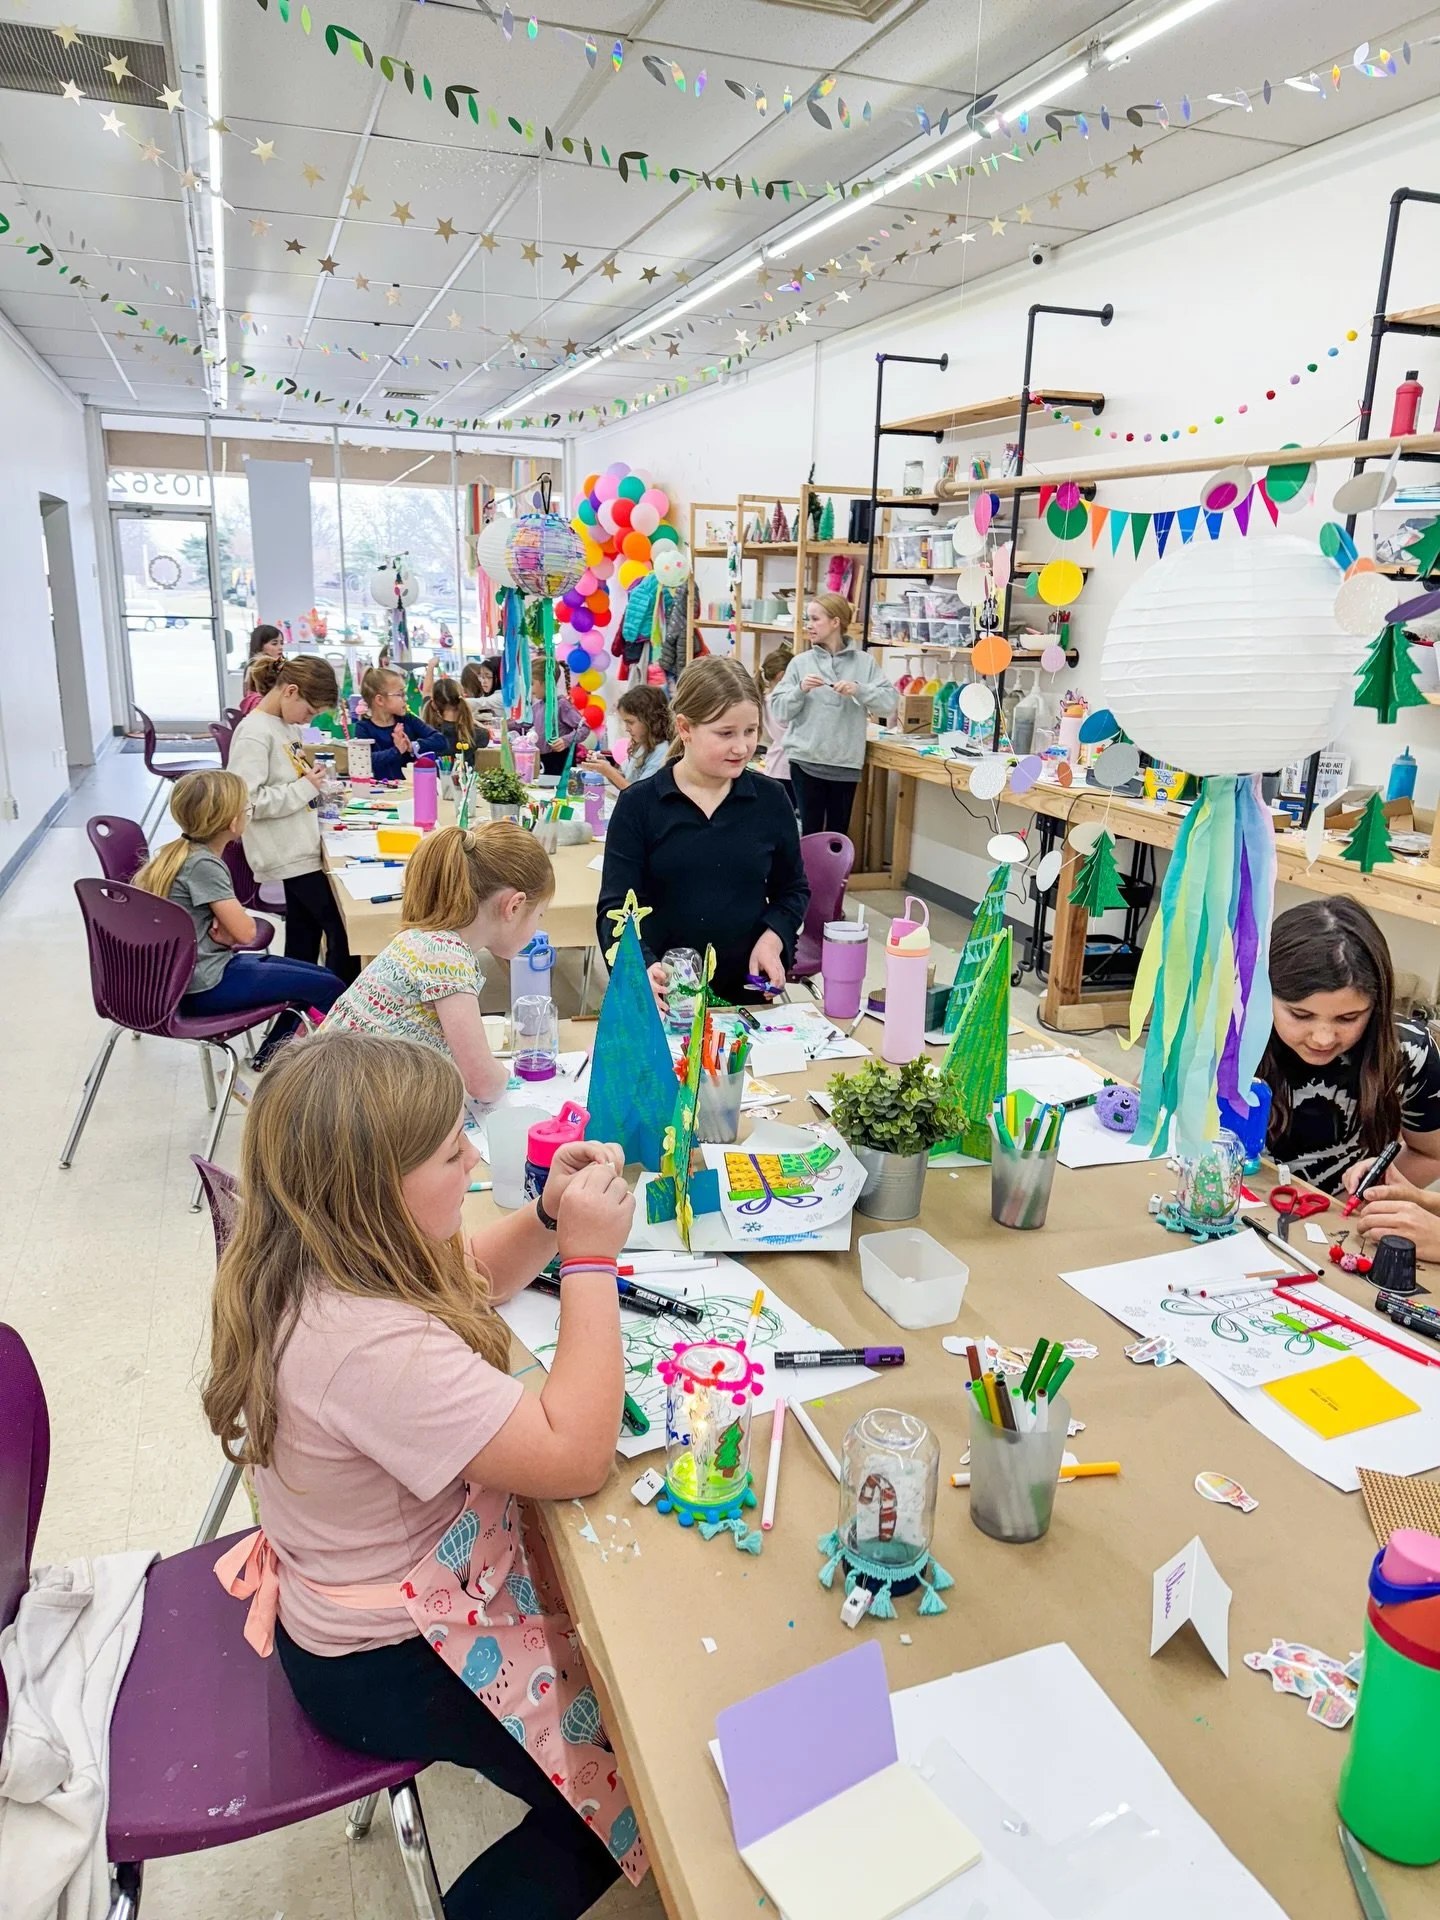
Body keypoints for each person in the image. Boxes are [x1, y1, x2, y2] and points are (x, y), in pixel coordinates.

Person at [202, 1031, 638, 1920]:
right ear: (375, 1193)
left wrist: (550, 1219)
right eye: (451, 1152)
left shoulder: (322, 1255)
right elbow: (575, 1454)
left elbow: (467, 1276)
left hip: (362, 1603)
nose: (476, 1157)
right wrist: (593, 1260)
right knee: (629, 1793)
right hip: (383, 1660)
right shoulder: (367, 1344)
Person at [597, 656, 808, 1005]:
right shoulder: (640, 805)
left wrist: (774, 938)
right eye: (725, 733)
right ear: (685, 728)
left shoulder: (771, 800)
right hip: (665, 997)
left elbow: (793, 890)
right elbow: (615, 908)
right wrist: (640, 965)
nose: (742, 747)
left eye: (751, 731)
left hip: (746, 997)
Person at [325, 822, 552, 1105]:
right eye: (539, 915)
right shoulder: (448, 958)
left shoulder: (423, 939)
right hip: (346, 1118)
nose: (537, 926)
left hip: (333, 1101)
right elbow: (483, 1084)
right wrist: (504, 1075)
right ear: (514, 906)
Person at [133, 770, 345, 1067]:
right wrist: (231, 933)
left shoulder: (175, 853)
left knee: (314, 979)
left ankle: (271, 1057)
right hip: (205, 984)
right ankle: (291, 1067)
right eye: (247, 808)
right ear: (233, 823)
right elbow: (246, 934)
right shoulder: (204, 865)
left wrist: (228, 932)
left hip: (186, 977)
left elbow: (232, 932)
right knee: (330, 986)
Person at [1259, 898, 1440, 1194]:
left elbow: (1431, 1154)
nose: (1322, 1038)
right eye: (1301, 1015)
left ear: (1377, 1005)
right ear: (1262, 993)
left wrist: (1362, 1197)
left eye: (1348, 1018)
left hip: (1339, 1220)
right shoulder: (1229, 1037)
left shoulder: (1409, 1051)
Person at [229, 654, 360, 985]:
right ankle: (332, 1014)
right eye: (310, 711)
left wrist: (316, 790)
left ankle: (292, 1023)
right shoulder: (255, 733)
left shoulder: (283, 726)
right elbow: (245, 802)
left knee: (304, 939)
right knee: (344, 929)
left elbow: (289, 782)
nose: (308, 720)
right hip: (286, 853)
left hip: (300, 846)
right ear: (290, 691)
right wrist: (304, 788)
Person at [767, 594, 897, 834]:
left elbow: (889, 704)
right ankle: (806, 874)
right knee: (810, 833)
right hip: (805, 761)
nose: (809, 625)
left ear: (835, 622)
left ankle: (836, 874)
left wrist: (860, 689)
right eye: (808, 619)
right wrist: (800, 690)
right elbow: (779, 710)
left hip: (845, 764)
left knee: (838, 835)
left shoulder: (865, 663)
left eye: (815, 619)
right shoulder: (799, 663)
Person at [353, 667, 450, 780]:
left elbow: (441, 741)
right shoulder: (363, 727)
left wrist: (412, 746)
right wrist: (397, 750)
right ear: (380, 700)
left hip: (411, 789)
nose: (406, 698)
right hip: (380, 792)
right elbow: (365, 760)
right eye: (401, 694)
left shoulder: (408, 720)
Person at [591, 684, 673, 792]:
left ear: (650, 719)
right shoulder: (641, 746)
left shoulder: (661, 752)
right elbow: (625, 779)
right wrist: (604, 766)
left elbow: (639, 794)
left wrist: (608, 771)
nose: (627, 729)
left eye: (630, 722)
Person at [530, 657, 589, 776]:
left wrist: (565, 740)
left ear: (546, 682)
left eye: (532, 683)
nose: (530, 689)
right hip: (543, 760)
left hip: (560, 761)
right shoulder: (537, 706)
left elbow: (584, 728)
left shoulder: (562, 704)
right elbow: (525, 724)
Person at [758, 645, 795, 809]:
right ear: (782, 676)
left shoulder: (764, 698)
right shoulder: (781, 703)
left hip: (774, 764)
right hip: (786, 767)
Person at [421, 676, 488, 762]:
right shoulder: (478, 734)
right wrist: (471, 721)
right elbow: (487, 735)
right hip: (466, 775)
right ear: (462, 699)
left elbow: (426, 694)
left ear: (434, 704)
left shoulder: (426, 735)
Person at [461, 658, 506, 733]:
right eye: (481, 677)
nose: (483, 681)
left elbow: (480, 702)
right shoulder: (490, 694)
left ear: (498, 677)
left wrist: (456, 698)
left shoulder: (501, 696)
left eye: (488, 676)